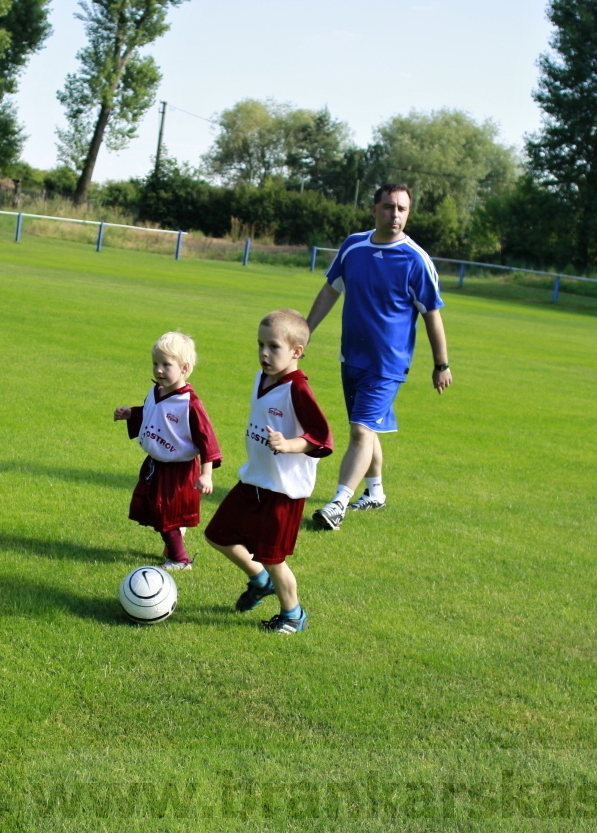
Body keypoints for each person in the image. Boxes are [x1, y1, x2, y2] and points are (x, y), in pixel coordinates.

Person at [306, 183, 452, 532]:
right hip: (351, 356)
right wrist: (304, 333)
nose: (395, 214)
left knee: (359, 430)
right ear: (374, 209)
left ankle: (338, 503)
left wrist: (441, 364)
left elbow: (432, 313)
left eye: (402, 209)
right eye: (388, 207)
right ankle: (375, 492)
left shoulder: (416, 260)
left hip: (388, 364)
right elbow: (330, 290)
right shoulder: (354, 246)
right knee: (368, 429)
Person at [204, 309, 333, 633]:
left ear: (296, 351)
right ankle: (260, 580)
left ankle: (293, 614)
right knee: (217, 535)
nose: (264, 352)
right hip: (254, 478)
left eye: (273, 346)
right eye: (260, 344)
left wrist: (290, 444)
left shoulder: (297, 389)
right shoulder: (261, 377)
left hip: (284, 490)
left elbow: (322, 437)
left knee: (273, 557)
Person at [114, 331, 222, 570]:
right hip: (155, 465)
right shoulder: (157, 392)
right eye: (155, 364)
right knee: (153, 508)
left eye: (166, 365)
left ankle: (180, 560)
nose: (159, 370)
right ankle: (174, 542)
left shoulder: (190, 404)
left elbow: (208, 442)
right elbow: (153, 413)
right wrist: (132, 413)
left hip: (179, 471)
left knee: (166, 514)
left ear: (184, 368)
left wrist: (206, 474)